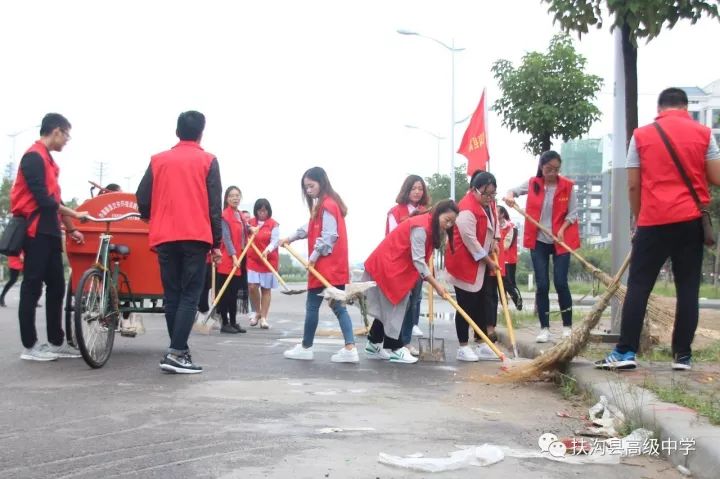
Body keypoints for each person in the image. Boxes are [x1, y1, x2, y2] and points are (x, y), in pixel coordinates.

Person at [595, 88, 720, 371]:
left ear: (659, 108)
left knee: (639, 286)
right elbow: (716, 176)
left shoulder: (641, 136)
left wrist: (640, 218)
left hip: (653, 220)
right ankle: (683, 356)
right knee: (687, 289)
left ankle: (626, 352)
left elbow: (632, 184)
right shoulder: (704, 134)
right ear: (686, 107)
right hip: (690, 221)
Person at [136, 110, 222, 374]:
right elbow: (214, 205)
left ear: (177, 132)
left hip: (164, 235)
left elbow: (142, 196)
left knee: (172, 295)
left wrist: (153, 215)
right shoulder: (208, 160)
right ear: (201, 133)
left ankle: (179, 351)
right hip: (195, 234)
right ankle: (176, 352)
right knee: (189, 296)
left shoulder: (158, 160)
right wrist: (216, 241)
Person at [10, 113, 88, 361]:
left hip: (51, 231)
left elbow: (56, 199)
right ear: (56, 131)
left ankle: (55, 341)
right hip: (35, 231)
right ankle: (30, 346)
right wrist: (75, 213)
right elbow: (44, 201)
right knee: (32, 287)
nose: (66, 140)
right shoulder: (33, 157)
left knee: (57, 286)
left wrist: (71, 227)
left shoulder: (47, 160)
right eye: (66, 135)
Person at [364, 200, 458, 364]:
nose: (448, 225)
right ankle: (396, 348)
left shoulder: (429, 226)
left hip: (397, 266)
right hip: (389, 264)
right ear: (437, 214)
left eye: (452, 222)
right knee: (396, 306)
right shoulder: (421, 227)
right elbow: (418, 260)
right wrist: (436, 285)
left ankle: (373, 344)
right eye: (447, 219)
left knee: (394, 306)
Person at [280, 166, 358, 363]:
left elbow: (329, 236)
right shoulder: (323, 205)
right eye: (305, 187)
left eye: (311, 186)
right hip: (332, 267)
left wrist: (313, 257)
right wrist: (290, 238)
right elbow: (310, 227)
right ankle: (350, 348)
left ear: (321, 183)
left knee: (314, 306)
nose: (308, 190)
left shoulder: (328, 205)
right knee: (338, 306)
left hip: (327, 266)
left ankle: (306, 347)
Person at [504, 150, 579, 343]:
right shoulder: (533, 184)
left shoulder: (568, 187)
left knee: (561, 282)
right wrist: (510, 196)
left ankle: (567, 327)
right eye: (548, 169)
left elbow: (573, 214)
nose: (552, 173)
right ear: (541, 168)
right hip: (539, 241)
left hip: (560, 240)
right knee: (542, 284)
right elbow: (512, 191)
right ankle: (544, 328)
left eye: (555, 169)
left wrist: (562, 229)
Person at [445, 171, 502, 362]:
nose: (489, 198)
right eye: (485, 194)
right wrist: (490, 262)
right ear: (474, 190)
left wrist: (495, 240)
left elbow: (494, 224)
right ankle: (463, 346)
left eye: (492, 194)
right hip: (463, 262)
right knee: (466, 305)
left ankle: (481, 342)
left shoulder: (489, 204)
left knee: (480, 304)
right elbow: (471, 242)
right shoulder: (466, 210)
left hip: (481, 262)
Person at [387, 174, 431, 349]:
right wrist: (411, 218)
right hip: (399, 264)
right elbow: (392, 236)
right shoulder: (395, 212)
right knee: (398, 304)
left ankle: (405, 342)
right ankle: (389, 342)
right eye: (413, 188)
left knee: (412, 304)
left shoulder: (426, 211)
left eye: (420, 188)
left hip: (417, 264)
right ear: (406, 189)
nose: (417, 192)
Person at [216, 186, 248, 334]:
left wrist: (251, 228)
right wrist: (234, 257)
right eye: (232, 196)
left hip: (238, 258)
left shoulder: (240, 215)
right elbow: (227, 239)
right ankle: (225, 322)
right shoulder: (225, 215)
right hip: (227, 259)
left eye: (237, 195)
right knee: (225, 293)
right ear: (227, 199)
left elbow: (244, 230)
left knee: (234, 293)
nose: (235, 198)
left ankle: (234, 322)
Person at [246, 198, 279, 329]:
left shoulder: (274, 224)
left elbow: (275, 241)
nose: (262, 213)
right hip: (253, 259)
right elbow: (245, 231)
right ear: (256, 211)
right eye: (260, 210)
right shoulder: (250, 223)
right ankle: (257, 312)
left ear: (268, 211)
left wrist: (267, 250)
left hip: (268, 260)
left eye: (264, 210)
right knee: (252, 287)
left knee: (266, 289)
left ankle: (264, 317)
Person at [498, 205, 522, 311]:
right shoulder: (495, 226)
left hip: (508, 260)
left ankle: (518, 302)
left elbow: (507, 245)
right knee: (500, 284)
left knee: (509, 283)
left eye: (496, 211)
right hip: (498, 259)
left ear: (502, 214)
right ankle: (505, 307)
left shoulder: (511, 227)